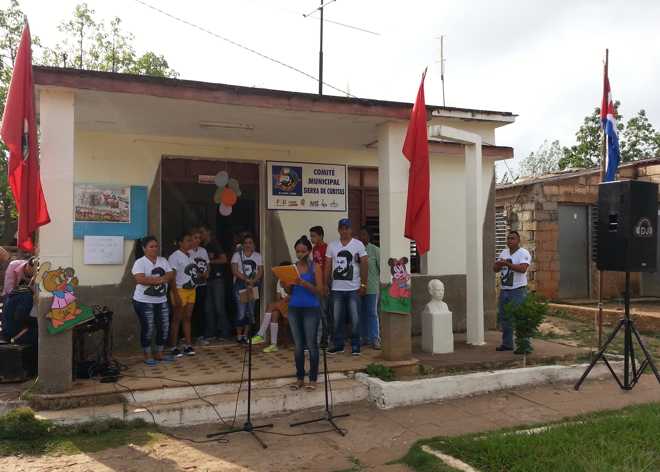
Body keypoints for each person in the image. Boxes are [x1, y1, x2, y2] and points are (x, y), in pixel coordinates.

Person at [325, 218, 368, 356]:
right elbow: (327, 266)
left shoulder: (358, 245)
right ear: (338, 230)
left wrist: (363, 284)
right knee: (337, 319)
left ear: (351, 229)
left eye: (347, 228)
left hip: (353, 288)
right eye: (342, 228)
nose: (344, 231)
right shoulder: (332, 245)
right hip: (336, 289)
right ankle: (338, 345)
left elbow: (365, 265)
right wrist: (326, 284)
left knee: (355, 318)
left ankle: (356, 345)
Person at [287, 236, 324, 391]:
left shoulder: (315, 267)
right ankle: (300, 377)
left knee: (311, 344)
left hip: (311, 308)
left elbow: (320, 290)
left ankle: (313, 378)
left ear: (309, 251)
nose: (300, 254)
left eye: (303, 251)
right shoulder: (292, 267)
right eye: (297, 251)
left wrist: (305, 283)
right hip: (294, 307)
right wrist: (287, 284)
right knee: (298, 345)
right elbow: (289, 290)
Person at [131, 236, 175, 365]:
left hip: (161, 300)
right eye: (151, 246)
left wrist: (154, 279)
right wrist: (160, 279)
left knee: (164, 326)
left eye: (156, 246)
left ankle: (160, 353)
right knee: (148, 327)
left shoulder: (163, 260)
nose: (155, 249)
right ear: (144, 248)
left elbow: (170, 274)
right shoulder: (140, 262)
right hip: (143, 301)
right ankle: (147, 354)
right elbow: (140, 279)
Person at [493, 231, 531, 353]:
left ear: (518, 240)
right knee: (505, 318)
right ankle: (507, 344)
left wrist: (507, 264)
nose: (509, 240)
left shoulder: (523, 253)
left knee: (520, 318)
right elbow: (495, 269)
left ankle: (524, 346)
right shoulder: (504, 252)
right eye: (508, 238)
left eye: (512, 238)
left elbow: (523, 269)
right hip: (505, 290)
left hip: (518, 290)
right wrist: (499, 264)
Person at [168, 232, 201, 357]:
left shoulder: (191, 255)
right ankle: (173, 346)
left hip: (191, 290)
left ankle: (188, 345)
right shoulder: (175, 256)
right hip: (180, 290)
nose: (191, 242)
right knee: (177, 319)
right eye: (188, 240)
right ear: (180, 243)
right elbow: (172, 277)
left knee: (187, 318)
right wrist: (175, 294)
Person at [251, 261, 291, 353]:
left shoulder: (292, 279)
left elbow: (293, 296)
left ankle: (261, 334)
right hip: (283, 304)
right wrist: (284, 299)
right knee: (274, 313)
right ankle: (273, 344)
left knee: (270, 305)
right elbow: (278, 297)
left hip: (292, 306)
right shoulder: (279, 280)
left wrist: (285, 297)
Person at [200, 225, 231, 342]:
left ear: (208, 232)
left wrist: (209, 261)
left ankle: (224, 332)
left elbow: (224, 259)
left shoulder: (214, 243)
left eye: (202, 232)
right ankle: (211, 332)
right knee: (208, 308)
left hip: (217, 278)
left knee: (219, 306)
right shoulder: (202, 246)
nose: (201, 235)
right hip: (207, 279)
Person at [231, 233, 263, 344]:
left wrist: (253, 281)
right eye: (246, 243)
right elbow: (234, 270)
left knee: (250, 310)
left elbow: (260, 271)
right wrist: (246, 279)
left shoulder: (258, 256)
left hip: (253, 284)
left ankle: (246, 334)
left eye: (250, 243)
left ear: (253, 244)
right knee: (241, 311)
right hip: (240, 284)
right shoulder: (237, 255)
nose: (248, 245)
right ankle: (239, 335)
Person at [1, 256, 37, 345]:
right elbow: (9, 290)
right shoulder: (26, 295)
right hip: (14, 329)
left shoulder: (25, 293)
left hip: (17, 299)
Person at [358, 226, 381, 349]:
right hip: (358, 288)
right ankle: (363, 338)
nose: (362, 237)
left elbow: (382, 269)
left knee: (372, 313)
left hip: (372, 288)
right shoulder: (355, 250)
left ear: (369, 236)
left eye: (364, 235)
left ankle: (375, 338)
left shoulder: (375, 250)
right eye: (360, 235)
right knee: (360, 313)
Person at [190, 228, 210, 345]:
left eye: (199, 238)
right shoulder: (187, 251)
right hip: (191, 285)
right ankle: (188, 336)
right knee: (189, 311)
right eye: (195, 238)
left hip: (202, 284)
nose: (198, 240)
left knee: (201, 310)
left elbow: (208, 264)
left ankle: (200, 335)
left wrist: (207, 273)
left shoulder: (203, 251)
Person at [310, 226, 330, 344]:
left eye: (314, 236)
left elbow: (327, 266)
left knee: (324, 311)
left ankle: (326, 338)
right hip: (317, 283)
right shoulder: (314, 249)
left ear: (321, 236)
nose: (312, 238)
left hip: (325, 283)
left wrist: (325, 283)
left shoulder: (327, 248)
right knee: (319, 310)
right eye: (311, 236)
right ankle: (321, 336)